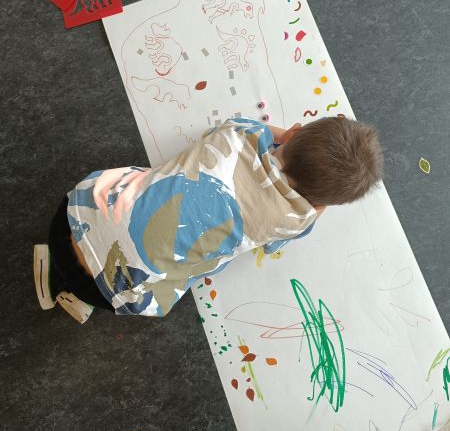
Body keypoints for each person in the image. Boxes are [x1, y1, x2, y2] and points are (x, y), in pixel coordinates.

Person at [33, 116, 383, 323]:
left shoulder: (239, 134)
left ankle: (56, 268)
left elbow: (253, 130)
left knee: (143, 188)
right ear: (321, 204)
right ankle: (73, 294)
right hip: (108, 293)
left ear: (291, 134)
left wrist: (286, 138)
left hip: (74, 214)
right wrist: (316, 206)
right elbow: (294, 227)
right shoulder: (296, 221)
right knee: (170, 270)